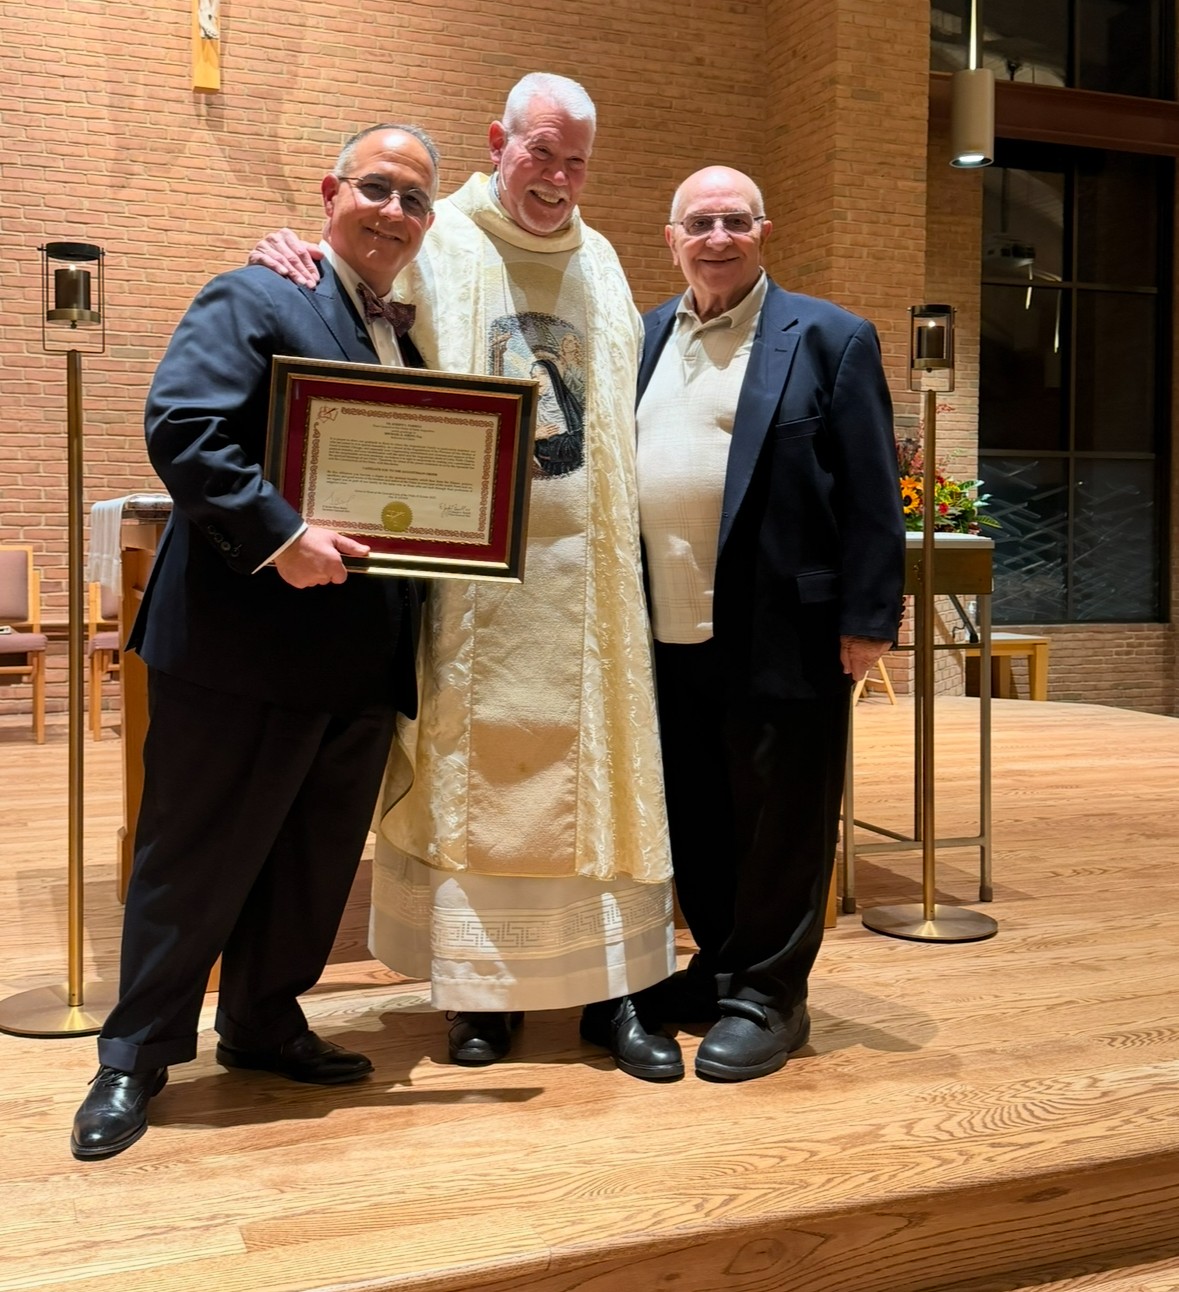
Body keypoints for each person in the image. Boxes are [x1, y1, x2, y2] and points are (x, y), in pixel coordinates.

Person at [249, 75, 680, 1080]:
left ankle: (613, 991)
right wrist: (288, 256)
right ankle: (477, 996)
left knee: (604, 780)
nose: (558, 179)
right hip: (475, 588)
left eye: (577, 163)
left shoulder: (603, 260)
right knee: (474, 779)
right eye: (541, 153)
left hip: (592, 588)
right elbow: (349, 294)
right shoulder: (435, 238)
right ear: (498, 141)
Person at [70, 124, 439, 1161]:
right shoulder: (258, 293)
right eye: (377, 188)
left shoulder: (403, 341)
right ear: (331, 192)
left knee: (311, 862)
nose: (394, 213)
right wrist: (281, 535)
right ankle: (135, 1053)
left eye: (414, 200)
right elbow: (185, 424)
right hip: (244, 644)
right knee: (193, 856)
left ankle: (264, 1019)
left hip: (356, 652)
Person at [634, 166, 906, 1081]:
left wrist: (868, 618)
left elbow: (872, 489)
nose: (717, 237)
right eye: (698, 222)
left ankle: (770, 997)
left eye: (734, 221)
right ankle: (720, 965)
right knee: (698, 812)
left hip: (785, 629)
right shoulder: (643, 336)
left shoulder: (828, 336)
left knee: (781, 816)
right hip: (665, 627)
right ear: (671, 239)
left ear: (763, 231)